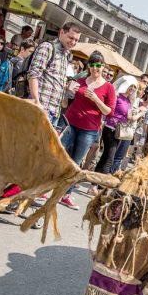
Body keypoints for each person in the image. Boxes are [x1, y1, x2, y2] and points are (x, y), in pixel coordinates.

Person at [59, 51, 116, 209]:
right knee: (60, 154)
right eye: (92, 65)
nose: (95, 68)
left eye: (99, 65)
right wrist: (68, 90)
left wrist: (96, 98)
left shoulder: (108, 87)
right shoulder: (81, 79)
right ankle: (48, 187)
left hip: (89, 129)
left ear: (103, 66)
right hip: (70, 122)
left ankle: (66, 194)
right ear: (88, 66)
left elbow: (109, 112)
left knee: (76, 162)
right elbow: (66, 102)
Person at [88, 75, 139, 195]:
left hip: (119, 132)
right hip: (110, 129)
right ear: (125, 85)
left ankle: (93, 185)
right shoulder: (117, 96)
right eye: (130, 86)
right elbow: (110, 111)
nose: (132, 89)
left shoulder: (128, 101)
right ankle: (101, 188)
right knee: (110, 159)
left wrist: (139, 113)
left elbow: (128, 118)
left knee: (105, 157)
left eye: (134, 87)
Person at [27, 21, 81, 127]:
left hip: (54, 112)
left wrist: (67, 87)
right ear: (61, 32)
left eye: (76, 40)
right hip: (41, 108)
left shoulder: (66, 54)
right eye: (71, 38)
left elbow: (53, 80)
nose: (73, 42)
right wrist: (36, 102)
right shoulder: (48, 47)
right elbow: (33, 75)